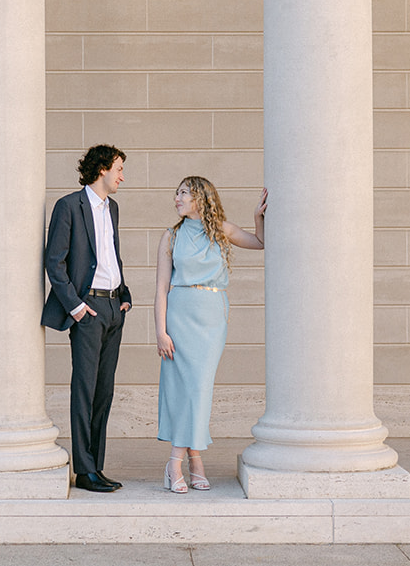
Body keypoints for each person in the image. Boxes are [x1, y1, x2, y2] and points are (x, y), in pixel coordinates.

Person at [153, 176, 266, 493]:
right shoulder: (171, 236)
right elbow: (161, 289)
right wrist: (160, 331)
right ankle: (186, 461)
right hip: (179, 313)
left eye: (184, 193)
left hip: (212, 316)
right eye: (176, 193)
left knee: (199, 388)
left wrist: (258, 216)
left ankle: (184, 461)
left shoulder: (222, 230)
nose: (177, 198)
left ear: (201, 198)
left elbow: (260, 243)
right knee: (184, 389)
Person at [41, 144, 132, 493]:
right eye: (119, 168)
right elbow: (55, 262)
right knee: (85, 389)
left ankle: (97, 466)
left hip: (113, 308)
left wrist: (123, 294)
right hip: (88, 310)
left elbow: (110, 257)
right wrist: (76, 307)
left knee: (104, 391)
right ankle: (84, 469)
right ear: (102, 169)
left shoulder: (114, 209)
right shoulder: (69, 206)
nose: (122, 176)